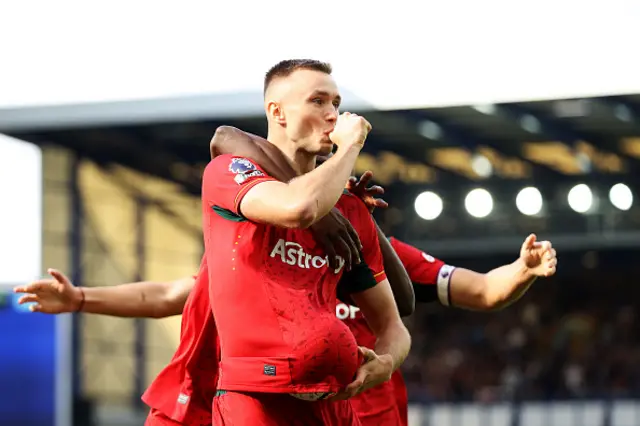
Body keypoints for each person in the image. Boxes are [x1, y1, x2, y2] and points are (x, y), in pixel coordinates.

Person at [200, 59, 411, 425]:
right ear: (277, 111)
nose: (333, 115)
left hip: (334, 406)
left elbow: (393, 325)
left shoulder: (349, 210)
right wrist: (349, 149)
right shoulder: (230, 172)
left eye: (336, 103)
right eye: (318, 101)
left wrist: (387, 361)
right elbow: (297, 208)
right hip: (257, 400)